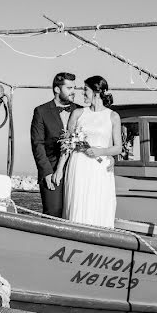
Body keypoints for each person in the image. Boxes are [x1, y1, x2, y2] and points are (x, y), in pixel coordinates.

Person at [53, 76, 122, 228]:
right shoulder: (78, 113)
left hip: (100, 168)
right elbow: (67, 144)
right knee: (78, 203)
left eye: (85, 90)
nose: (82, 93)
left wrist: (101, 151)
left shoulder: (113, 116)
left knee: (98, 203)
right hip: (79, 166)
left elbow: (118, 147)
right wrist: (59, 169)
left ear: (96, 92)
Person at [30, 72, 78, 216]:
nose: (73, 92)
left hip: (77, 168)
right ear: (57, 89)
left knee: (75, 213)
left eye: (74, 88)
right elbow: (37, 144)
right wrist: (46, 172)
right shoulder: (41, 111)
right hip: (51, 170)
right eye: (69, 88)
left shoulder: (81, 110)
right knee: (53, 212)